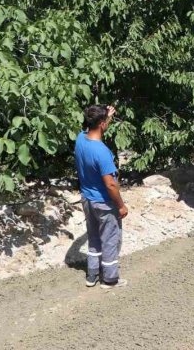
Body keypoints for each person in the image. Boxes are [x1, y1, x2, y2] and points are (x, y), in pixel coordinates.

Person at [75, 105, 128, 288]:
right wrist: (121, 205)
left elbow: (96, 128)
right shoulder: (102, 152)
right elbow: (111, 184)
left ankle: (92, 275)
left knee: (94, 238)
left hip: (87, 200)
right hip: (104, 203)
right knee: (110, 240)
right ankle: (110, 279)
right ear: (103, 124)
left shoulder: (80, 139)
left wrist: (107, 117)